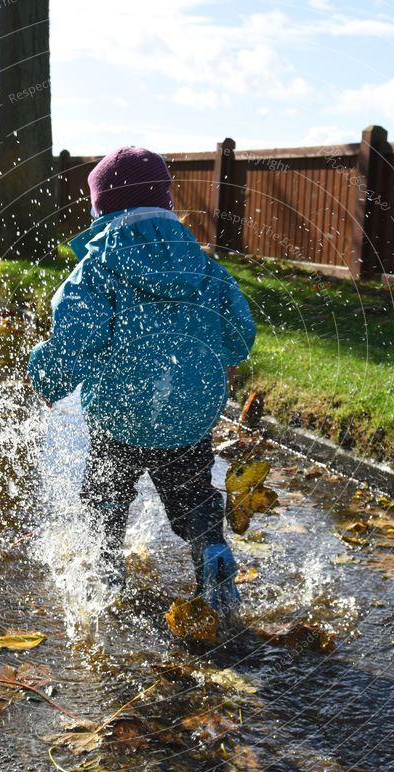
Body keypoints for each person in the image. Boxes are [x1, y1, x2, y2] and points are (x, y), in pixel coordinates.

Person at [27, 146, 256, 614]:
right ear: (166, 202)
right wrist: (222, 358)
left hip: (119, 411)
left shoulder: (98, 265)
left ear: (102, 206)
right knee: (193, 496)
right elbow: (239, 329)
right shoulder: (201, 263)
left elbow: (77, 334)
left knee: (104, 494)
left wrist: (49, 379)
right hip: (188, 415)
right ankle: (212, 550)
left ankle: (105, 568)